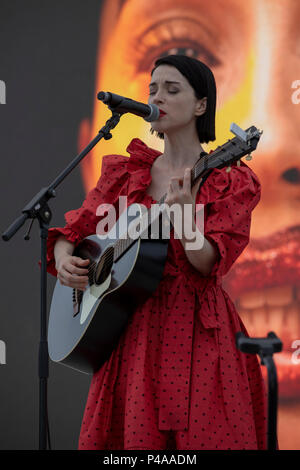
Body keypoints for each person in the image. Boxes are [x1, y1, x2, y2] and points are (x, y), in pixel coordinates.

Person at [45, 54, 267, 450]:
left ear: (201, 105)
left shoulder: (228, 179)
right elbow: (73, 230)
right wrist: (65, 260)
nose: (156, 97)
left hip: (199, 331)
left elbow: (206, 264)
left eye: (171, 89)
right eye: (151, 89)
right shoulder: (126, 173)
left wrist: (183, 218)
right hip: (131, 330)